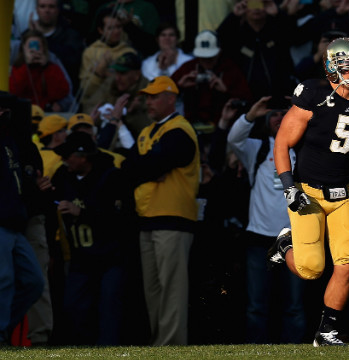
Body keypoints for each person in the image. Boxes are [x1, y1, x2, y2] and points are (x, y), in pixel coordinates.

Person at [268, 37, 349, 346]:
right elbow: (282, 143)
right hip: (309, 191)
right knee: (311, 270)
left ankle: (327, 330)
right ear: (331, 66)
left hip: (345, 193)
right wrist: (288, 187)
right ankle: (285, 246)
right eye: (346, 64)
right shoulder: (313, 94)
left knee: (347, 263)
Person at [121, 75, 200, 346]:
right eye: (147, 97)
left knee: (172, 289)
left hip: (173, 219)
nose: (148, 102)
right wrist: (148, 168)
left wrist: (145, 167)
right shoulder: (147, 131)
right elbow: (129, 168)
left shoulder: (180, 129)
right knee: (153, 290)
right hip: (148, 219)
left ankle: (171, 345)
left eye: (154, 97)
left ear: (171, 99)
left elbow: (153, 163)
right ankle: (159, 344)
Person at [227, 97, 306, 344]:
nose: (279, 118)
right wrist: (251, 114)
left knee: (294, 305)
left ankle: (293, 352)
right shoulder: (256, 149)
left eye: (285, 113)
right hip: (258, 239)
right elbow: (233, 139)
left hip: (295, 239)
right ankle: (257, 351)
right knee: (256, 306)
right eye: (273, 114)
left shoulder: (304, 151)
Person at [51, 132, 133, 345]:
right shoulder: (62, 176)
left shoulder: (112, 176)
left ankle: (107, 352)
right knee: (73, 306)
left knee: (109, 306)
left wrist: (82, 213)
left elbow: (122, 218)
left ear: (83, 157)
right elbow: (49, 200)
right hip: (81, 257)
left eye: (68, 155)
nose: (63, 159)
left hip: (111, 256)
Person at [0, 104, 45, 345]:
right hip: (2, 221)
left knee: (34, 282)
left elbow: (17, 179)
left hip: (15, 222)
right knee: (4, 280)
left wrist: (32, 186)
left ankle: (3, 330)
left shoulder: (11, 140)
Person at [171, 30, 251, 125]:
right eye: (202, 57)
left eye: (210, 57)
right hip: (191, 127)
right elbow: (164, 96)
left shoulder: (230, 69)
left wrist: (226, 91)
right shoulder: (188, 68)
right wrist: (179, 86)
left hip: (222, 127)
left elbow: (248, 102)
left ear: (219, 52)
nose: (206, 61)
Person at [9, 29, 70, 112]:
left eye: (37, 46)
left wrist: (47, 67)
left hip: (43, 112)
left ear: (43, 48)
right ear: (23, 48)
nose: (34, 50)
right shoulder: (16, 68)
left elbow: (60, 93)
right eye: (30, 46)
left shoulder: (52, 68)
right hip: (21, 111)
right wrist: (26, 67)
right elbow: (14, 92)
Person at [31, 0, 85, 92]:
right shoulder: (28, 35)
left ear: (58, 9)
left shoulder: (71, 35)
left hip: (61, 92)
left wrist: (39, 38)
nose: (47, 10)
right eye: (42, 6)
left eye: (51, 7)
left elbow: (71, 62)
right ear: (37, 10)